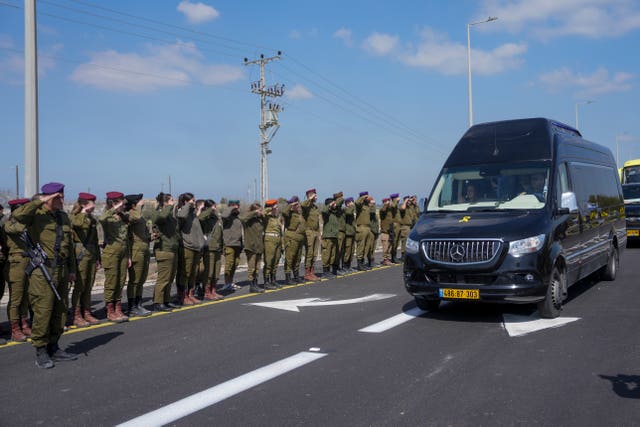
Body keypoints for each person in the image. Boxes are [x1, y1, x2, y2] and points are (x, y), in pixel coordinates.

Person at [12, 182, 78, 369]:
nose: (62, 200)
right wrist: (40, 200)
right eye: (58, 197)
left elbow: (69, 246)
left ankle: (54, 347)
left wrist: (72, 270)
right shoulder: (35, 216)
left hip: (62, 270)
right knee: (43, 311)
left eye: (62, 196)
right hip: (43, 271)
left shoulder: (63, 217)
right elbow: (16, 216)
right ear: (48, 198)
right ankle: (40, 350)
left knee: (61, 309)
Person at [69, 192, 101, 326]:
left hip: (91, 253)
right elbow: (79, 225)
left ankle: (86, 312)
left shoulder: (92, 219)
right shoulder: (75, 217)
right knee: (80, 285)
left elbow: (95, 240)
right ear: (84, 204)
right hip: (80, 254)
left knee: (89, 285)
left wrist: (98, 258)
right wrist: (83, 212)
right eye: (91, 203)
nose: (94, 205)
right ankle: (76, 315)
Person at [3, 198, 33, 341]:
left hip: (28, 260)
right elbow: (17, 229)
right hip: (15, 262)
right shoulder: (9, 223)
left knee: (26, 296)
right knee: (16, 298)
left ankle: (24, 323)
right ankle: (15, 328)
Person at [99, 191, 130, 323]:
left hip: (123, 253)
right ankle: (110, 310)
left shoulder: (123, 217)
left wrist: (128, 256)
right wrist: (114, 208)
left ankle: (118, 307)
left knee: (121, 281)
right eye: (121, 203)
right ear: (114, 203)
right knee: (111, 282)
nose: (124, 205)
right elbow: (101, 219)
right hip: (111, 253)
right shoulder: (108, 217)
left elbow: (126, 239)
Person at [149, 193, 179, 311]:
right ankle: (158, 302)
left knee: (170, 278)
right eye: (171, 200)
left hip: (172, 248)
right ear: (165, 202)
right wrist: (168, 207)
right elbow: (160, 218)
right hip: (163, 249)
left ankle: (166, 300)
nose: (173, 201)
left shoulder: (169, 215)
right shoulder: (159, 212)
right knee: (163, 278)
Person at [125, 194, 152, 316]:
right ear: (133, 204)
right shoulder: (132, 214)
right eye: (140, 201)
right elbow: (135, 217)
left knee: (141, 279)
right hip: (136, 250)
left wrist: (151, 237)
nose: (143, 202)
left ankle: (138, 304)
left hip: (144, 248)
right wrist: (136, 207)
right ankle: (132, 306)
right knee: (135, 280)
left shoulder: (139, 216)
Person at [176, 192, 205, 305]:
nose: (194, 202)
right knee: (185, 273)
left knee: (193, 273)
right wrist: (187, 205)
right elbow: (181, 216)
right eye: (192, 200)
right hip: (187, 246)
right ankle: (182, 296)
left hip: (196, 247)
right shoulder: (182, 211)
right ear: (186, 202)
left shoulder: (193, 214)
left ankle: (190, 294)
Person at [198, 199, 224, 301]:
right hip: (209, 248)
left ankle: (213, 291)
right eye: (213, 206)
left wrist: (222, 246)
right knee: (209, 272)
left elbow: (220, 234)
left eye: (215, 206)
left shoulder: (217, 218)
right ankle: (207, 292)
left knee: (216, 272)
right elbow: (199, 218)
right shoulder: (206, 217)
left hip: (217, 248)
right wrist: (208, 209)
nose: (215, 208)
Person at [240, 203, 265, 293]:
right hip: (251, 247)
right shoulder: (248, 220)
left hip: (259, 247)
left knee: (257, 267)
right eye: (258, 210)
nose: (260, 212)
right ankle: (252, 286)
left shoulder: (260, 220)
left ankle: (256, 284)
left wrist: (261, 214)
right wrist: (253, 212)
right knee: (252, 268)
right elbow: (242, 219)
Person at [282, 196, 306, 284]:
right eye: (296, 204)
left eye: (298, 203)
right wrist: (291, 205)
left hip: (300, 238)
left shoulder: (299, 214)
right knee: (289, 257)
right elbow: (284, 212)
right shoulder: (289, 214)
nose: (298, 205)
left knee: (298, 258)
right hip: (291, 237)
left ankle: (296, 276)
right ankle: (288, 278)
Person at [220, 200, 243, 292]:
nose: (237, 207)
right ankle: (226, 284)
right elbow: (224, 215)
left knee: (235, 264)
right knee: (229, 265)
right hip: (229, 244)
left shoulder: (237, 219)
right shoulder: (227, 218)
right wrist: (231, 207)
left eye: (238, 205)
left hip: (237, 244)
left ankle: (230, 282)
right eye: (235, 206)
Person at [301, 188, 321, 281]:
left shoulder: (315, 207)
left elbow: (317, 221)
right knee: (309, 253)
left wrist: (319, 233)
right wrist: (310, 198)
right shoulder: (306, 205)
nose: (316, 197)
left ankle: (312, 272)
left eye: (315, 195)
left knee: (314, 253)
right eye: (314, 195)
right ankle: (307, 273)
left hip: (315, 232)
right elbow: (303, 205)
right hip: (309, 232)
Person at [262, 199, 282, 289]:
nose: (277, 208)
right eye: (275, 206)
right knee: (269, 261)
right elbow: (263, 212)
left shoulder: (277, 218)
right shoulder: (266, 217)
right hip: (269, 240)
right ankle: (266, 282)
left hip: (277, 240)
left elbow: (280, 231)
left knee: (276, 261)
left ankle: (273, 280)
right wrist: (269, 208)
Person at [321, 197, 340, 277]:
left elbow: (340, 205)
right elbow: (324, 210)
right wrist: (330, 204)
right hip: (328, 236)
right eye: (333, 203)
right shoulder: (326, 213)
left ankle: (332, 271)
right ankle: (326, 271)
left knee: (333, 255)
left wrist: (337, 201)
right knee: (327, 255)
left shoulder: (334, 213)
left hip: (334, 236)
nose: (335, 205)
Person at [355, 191, 373, 271]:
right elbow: (356, 202)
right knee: (361, 246)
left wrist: (370, 199)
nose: (367, 198)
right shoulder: (360, 206)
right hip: (361, 228)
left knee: (367, 247)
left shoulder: (367, 206)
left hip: (368, 228)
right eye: (366, 197)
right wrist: (363, 197)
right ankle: (359, 264)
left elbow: (372, 204)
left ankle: (362, 263)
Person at [341, 196, 355, 273]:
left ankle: (348, 266)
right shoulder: (345, 210)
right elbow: (349, 212)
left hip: (352, 233)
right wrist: (352, 206)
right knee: (347, 251)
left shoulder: (351, 210)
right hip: (348, 234)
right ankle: (345, 266)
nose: (352, 203)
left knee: (351, 251)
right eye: (351, 202)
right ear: (347, 204)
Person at [379, 198, 393, 265]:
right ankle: (385, 259)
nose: (388, 203)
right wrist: (385, 205)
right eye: (387, 202)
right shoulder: (382, 210)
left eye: (389, 201)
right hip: (385, 232)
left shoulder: (390, 211)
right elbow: (383, 210)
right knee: (385, 247)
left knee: (389, 246)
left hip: (390, 231)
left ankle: (388, 258)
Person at [366, 196, 379, 267]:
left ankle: (372, 260)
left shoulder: (371, 208)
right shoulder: (369, 209)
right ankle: (370, 261)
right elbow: (372, 211)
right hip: (371, 230)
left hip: (375, 231)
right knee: (370, 247)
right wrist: (373, 205)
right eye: (371, 201)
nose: (373, 202)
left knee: (373, 247)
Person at [389, 193, 401, 264]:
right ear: (394, 198)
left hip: (398, 225)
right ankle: (393, 257)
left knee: (397, 242)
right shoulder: (392, 204)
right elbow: (393, 206)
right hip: (395, 225)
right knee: (394, 241)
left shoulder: (396, 205)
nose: (398, 199)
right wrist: (395, 201)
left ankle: (395, 256)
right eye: (397, 197)